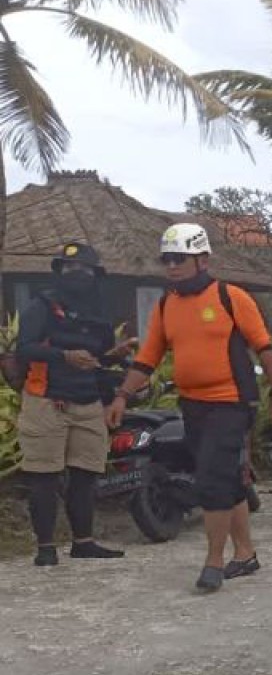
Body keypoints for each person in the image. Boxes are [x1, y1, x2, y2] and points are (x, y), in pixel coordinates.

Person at [108, 224, 272, 592]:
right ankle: (245, 554)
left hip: (231, 402)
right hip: (193, 405)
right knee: (226, 478)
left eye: (180, 258)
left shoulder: (231, 297)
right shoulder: (166, 305)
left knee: (210, 479)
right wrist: (121, 396)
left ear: (202, 259)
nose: (172, 266)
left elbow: (265, 348)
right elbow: (147, 359)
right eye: (167, 259)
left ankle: (213, 560)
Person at [17, 243, 133, 566]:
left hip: (88, 402)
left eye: (82, 270)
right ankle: (46, 548)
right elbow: (23, 349)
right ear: (59, 273)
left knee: (85, 474)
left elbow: (99, 357)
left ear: (94, 275)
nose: (76, 275)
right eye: (69, 269)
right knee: (45, 476)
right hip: (46, 401)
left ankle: (84, 542)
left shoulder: (100, 313)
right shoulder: (42, 305)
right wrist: (64, 356)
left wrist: (117, 355)